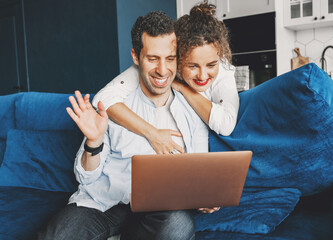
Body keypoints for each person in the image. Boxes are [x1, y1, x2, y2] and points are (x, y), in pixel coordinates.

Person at [37, 11, 216, 240]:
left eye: (170, 58)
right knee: (57, 236)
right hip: (105, 204)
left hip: (161, 210)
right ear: (135, 56)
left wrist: (205, 197)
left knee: (176, 228)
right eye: (152, 59)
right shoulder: (112, 106)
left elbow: (199, 171)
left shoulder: (192, 110)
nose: (163, 70)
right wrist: (94, 141)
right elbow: (86, 178)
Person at [92, 1, 239, 155]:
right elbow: (103, 99)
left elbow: (226, 124)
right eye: (192, 66)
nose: (202, 75)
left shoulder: (223, 69)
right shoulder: (162, 64)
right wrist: (152, 133)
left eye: (211, 65)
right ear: (178, 57)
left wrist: (183, 88)